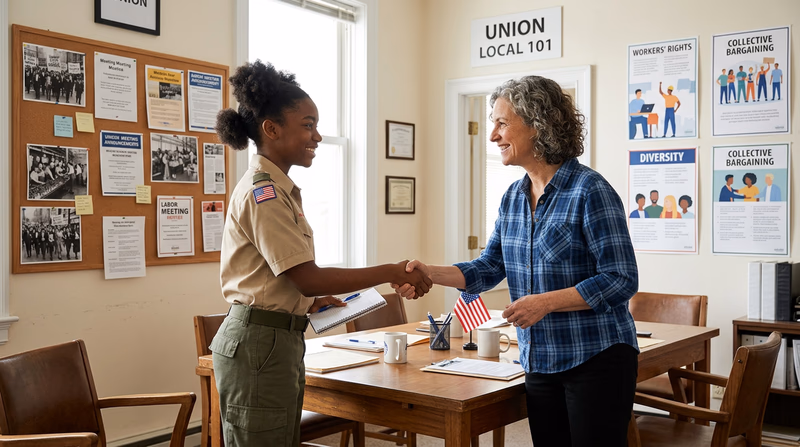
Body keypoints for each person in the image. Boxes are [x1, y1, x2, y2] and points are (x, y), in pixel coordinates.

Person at [394, 75, 639, 447]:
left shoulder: (591, 190)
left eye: (502, 123)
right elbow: (489, 266)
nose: (493, 135)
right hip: (539, 360)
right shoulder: (513, 197)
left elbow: (621, 279)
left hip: (597, 358)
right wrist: (431, 272)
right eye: (492, 124)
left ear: (539, 124)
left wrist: (545, 303)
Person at [210, 60, 433, 447]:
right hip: (259, 344)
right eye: (308, 124)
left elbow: (284, 278)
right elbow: (307, 275)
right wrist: (391, 270)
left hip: (278, 339)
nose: (317, 135)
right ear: (272, 129)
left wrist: (308, 301)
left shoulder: (279, 189)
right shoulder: (263, 193)